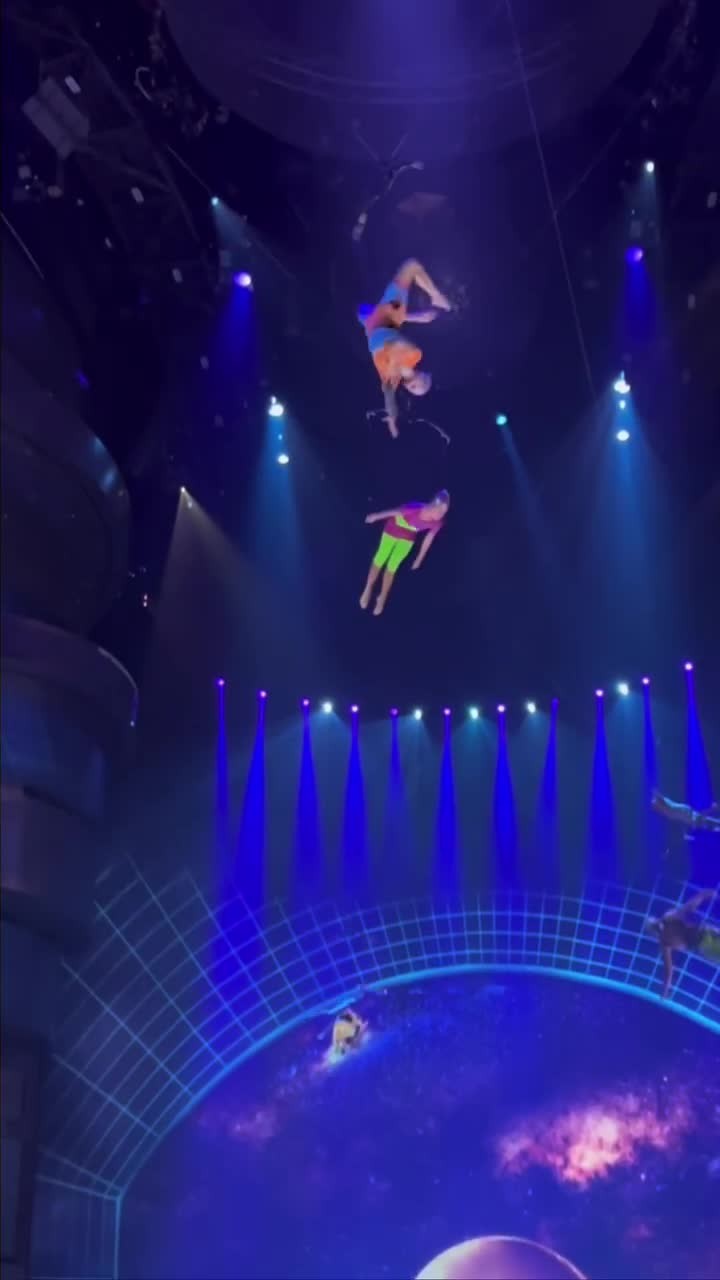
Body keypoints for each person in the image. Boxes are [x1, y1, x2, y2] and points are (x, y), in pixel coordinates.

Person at [359, 259, 451, 437]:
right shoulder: (413, 355)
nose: (414, 387)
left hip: (371, 319)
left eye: (413, 390)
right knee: (411, 267)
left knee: (363, 308)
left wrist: (392, 417)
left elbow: (388, 395)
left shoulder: (391, 376)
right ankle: (436, 296)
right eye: (420, 386)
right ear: (424, 375)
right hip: (382, 319)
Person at [360, 490, 450, 616]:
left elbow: (429, 539)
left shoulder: (438, 522)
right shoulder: (416, 508)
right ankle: (368, 588)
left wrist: (419, 559)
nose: (441, 514)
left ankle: (382, 597)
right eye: (440, 510)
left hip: (408, 536)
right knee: (380, 558)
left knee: (393, 566)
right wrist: (376, 516)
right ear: (433, 505)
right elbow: (395, 511)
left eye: (444, 512)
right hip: (393, 528)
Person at [643, 889, 719, 997]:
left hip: (707, 938)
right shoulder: (665, 940)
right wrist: (703, 895)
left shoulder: (667, 924)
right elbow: (669, 969)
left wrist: (703, 895)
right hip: (705, 943)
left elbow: (687, 908)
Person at [651, 790, 720, 834]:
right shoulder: (664, 810)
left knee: (701, 819)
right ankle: (715, 818)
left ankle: (714, 811)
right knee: (703, 820)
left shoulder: (664, 804)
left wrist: (654, 793)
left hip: (685, 812)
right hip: (685, 814)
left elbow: (658, 796)